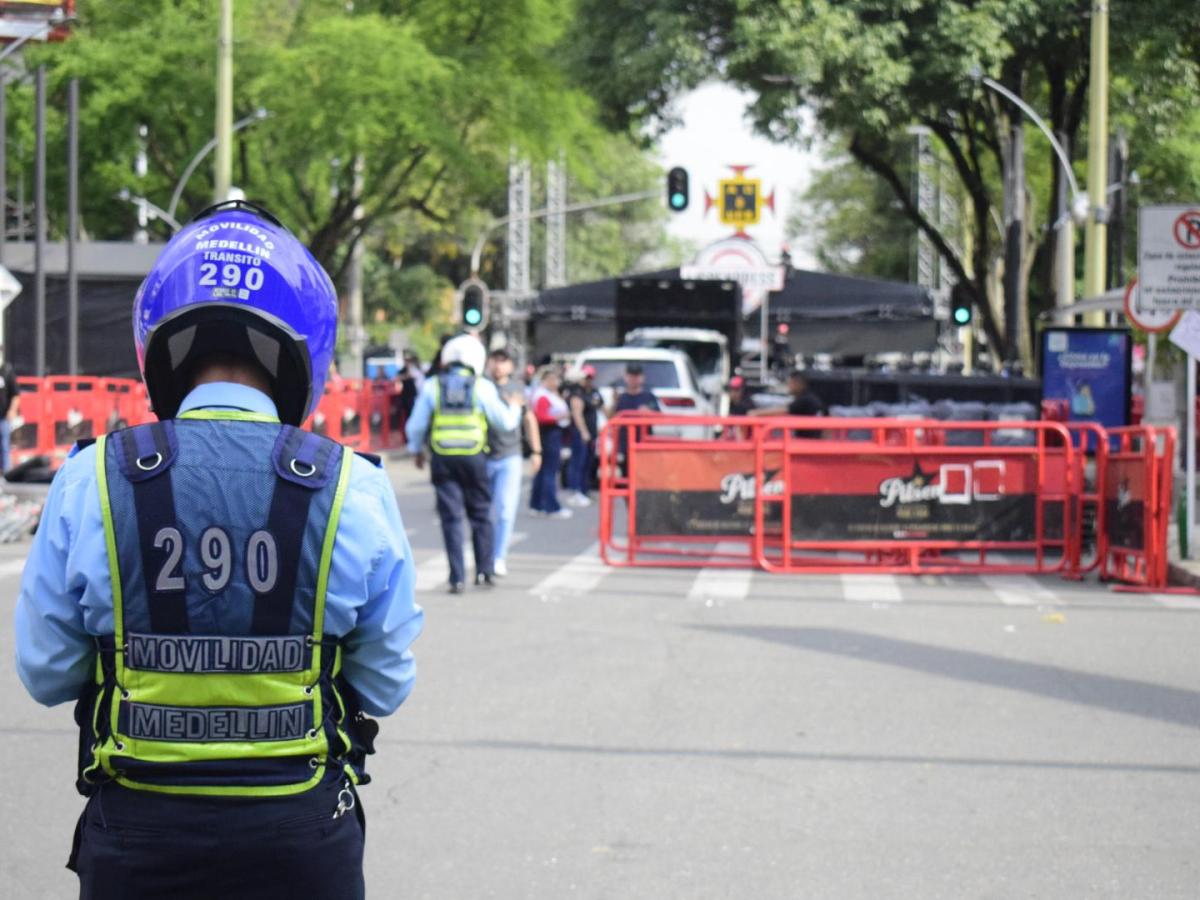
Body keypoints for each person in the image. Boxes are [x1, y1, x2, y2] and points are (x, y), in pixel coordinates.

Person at [13, 200, 424, 900]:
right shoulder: (352, 486)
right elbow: (385, 685)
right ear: (308, 345)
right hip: (301, 839)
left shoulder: (90, 478)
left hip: (138, 837)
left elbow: (47, 674)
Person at [406, 333, 522, 593]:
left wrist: (416, 450)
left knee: (451, 519)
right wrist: (515, 408)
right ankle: (483, 571)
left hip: (443, 459)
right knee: (481, 514)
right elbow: (504, 423)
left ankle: (456, 578)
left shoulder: (433, 385)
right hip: (474, 457)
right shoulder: (482, 386)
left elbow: (416, 426)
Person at [485, 348, 540, 576]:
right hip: (484, 455)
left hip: (510, 455)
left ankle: (499, 557)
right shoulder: (483, 387)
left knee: (506, 511)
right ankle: (485, 555)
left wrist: (536, 451)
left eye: (503, 361)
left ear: (510, 365)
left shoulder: (517, 389)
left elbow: (529, 419)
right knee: (485, 512)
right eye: (495, 361)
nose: (498, 366)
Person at [529, 366, 572, 518]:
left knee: (543, 471)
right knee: (549, 471)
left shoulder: (547, 394)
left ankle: (537, 504)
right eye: (553, 379)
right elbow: (542, 417)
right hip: (549, 434)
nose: (556, 382)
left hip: (550, 434)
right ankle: (551, 506)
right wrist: (559, 417)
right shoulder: (543, 396)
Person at [610, 362, 660, 475]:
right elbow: (612, 418)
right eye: (631, 376)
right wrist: (613, 402)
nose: (634, 379)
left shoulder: (649, 397)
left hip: (643, 444)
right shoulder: (621, 398)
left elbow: (658, 416)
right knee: (626, 473)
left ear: (642, 377)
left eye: (636, 376)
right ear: (626, 377)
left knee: (644, 474)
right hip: (625, 444)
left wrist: (648, 412)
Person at [564, 365, 602, 507]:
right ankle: (575, 491)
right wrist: (583, 432)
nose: (588, 380)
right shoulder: (577, 393)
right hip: (580, 433)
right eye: (586, 377)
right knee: (578, 462)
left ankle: (584, 490)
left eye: (590, 377)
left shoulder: (594, 392)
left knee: (588, 462)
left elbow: (601, 407)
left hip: (592, 433)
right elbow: (577, 414)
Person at [751, 370, 825, 437]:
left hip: (808, 441)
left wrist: (755, 413)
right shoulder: (811, 398)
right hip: (812, 440)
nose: (788, 386)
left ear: (798, 383)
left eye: (790, 383)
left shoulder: (805, 400)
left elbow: (783, 410)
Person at [0, 347, 20, 473]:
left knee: (4, 444)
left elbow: (15, 394)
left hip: (3, 416)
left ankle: (6, 471)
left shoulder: (6, 371)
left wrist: (12, 410)